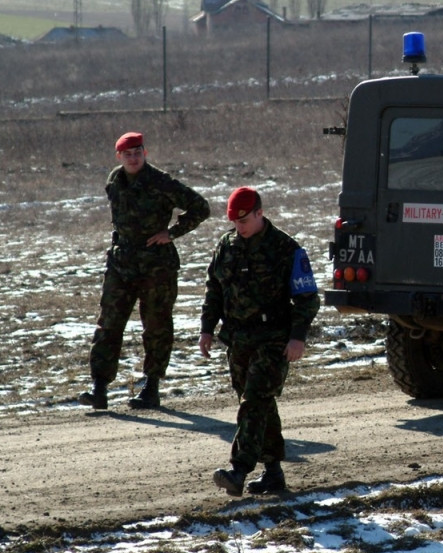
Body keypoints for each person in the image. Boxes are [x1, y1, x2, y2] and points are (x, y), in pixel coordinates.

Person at [199, 187, 320, 496]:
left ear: (259, 213)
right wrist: (207, 328)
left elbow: (307, 299)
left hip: (273, 340)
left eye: (244, 221)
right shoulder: (227, 246)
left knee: (253, 402)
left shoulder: (285, 248)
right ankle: (273, 472)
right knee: (259, 404)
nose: (239, 227)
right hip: (238, 340)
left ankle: (238, 470)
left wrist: (297, 337)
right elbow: (214, 289)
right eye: (234, 222)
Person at [79, 132, 211, 411]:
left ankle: (151, 387)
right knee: (109, 324)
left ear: (145, 153)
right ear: (119, 157)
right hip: (122, 264)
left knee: (157, 327)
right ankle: (99, 388)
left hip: (156, 265)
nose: (133, 157)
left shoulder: (160, 181)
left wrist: (172, 232)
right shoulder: (114, 180)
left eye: (138, 152)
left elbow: (200, 207)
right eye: (128, 154)